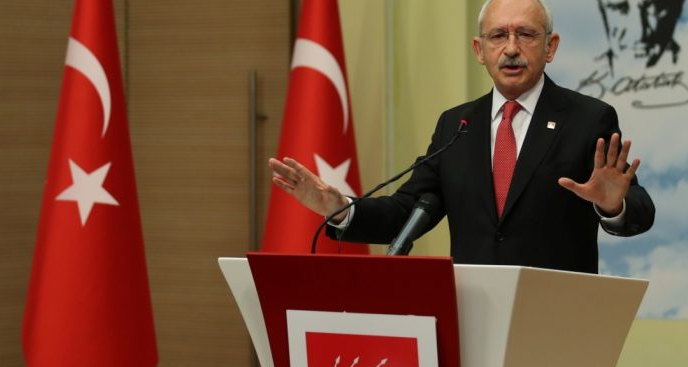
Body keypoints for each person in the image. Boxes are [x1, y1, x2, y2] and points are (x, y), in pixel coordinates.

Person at [268, 0, 655, 274]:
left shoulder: (587, 119)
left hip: (555, 317)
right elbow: (408, 210)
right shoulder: (456, 125)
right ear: (479, 50)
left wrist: (613, 206)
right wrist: (340, 207)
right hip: (472, 314)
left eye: (526, 34)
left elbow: (640, 208)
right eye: (498, 36)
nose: (511, 49)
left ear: (550, 47)